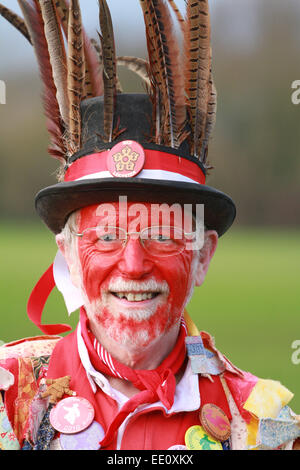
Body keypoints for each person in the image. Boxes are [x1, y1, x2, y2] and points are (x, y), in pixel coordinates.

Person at [0, 0, 298, 451]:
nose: (133, 264)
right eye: (107, 236)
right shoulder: (7, 401)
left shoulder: (263, 428)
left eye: (161, 236)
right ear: (67, 254)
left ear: (203, 256)